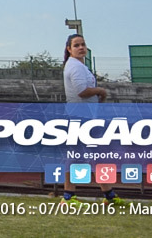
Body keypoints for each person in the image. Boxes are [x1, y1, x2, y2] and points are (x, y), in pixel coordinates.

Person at [62, 34, 126, 207]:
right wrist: (101, 91)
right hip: (79, 117)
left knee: (92, 156)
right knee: (79, 156)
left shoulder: (80, 66)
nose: (81, 47)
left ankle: (108, 195)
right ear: (69, 49)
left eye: (83, 44)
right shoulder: (75, 66)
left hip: (85, 117)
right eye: (76, 45)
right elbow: (81, 91)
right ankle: (69, 196)